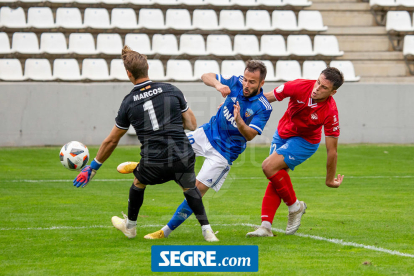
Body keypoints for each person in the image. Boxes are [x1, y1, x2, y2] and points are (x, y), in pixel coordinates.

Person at [73, 45, 218, 242]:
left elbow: (112, 140)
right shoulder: (171, 89)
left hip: (154, 161)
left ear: (128, 73)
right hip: (182, 155)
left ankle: (130, 227)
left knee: (138, 182)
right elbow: (192, 124)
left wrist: (93, 167)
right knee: (189, 188)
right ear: (147, 67)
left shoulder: (129, 102)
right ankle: (207, 231)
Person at [117, 60, 273, 239]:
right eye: (245, 79)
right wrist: (218, 84)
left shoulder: (263, 107)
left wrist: (239, 121)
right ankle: (142, 166)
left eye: (251, 82)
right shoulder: (236, 81)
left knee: (195, 191)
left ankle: (164, 232)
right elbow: (205, 76)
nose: (246, 84)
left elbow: (250, 135)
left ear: (262, 83)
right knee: (170, 148)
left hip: (224, 153)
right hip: (205, 134)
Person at [246, 67, 345, 237]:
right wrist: (242, 108)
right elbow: (266, 98)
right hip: (282, 133)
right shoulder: (298, 86)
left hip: (305, 142)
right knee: (276, 176)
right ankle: (266, 226)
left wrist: (330, 179)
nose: (317, 88)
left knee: (268, 167)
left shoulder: (330, 111)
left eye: (324, 88)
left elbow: (332, 150)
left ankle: (294, 207)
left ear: (333, 92)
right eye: (318, 82)